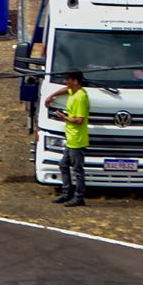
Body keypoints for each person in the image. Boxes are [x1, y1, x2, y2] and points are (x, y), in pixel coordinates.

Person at [45, 70, 90, 206]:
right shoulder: (74, 92)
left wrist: (64, 117)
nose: (65, 82)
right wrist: (51, 95)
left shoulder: (80, 97)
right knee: (63, 165)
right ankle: (66, 193)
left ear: (75, 81)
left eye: (68, 80)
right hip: (71, 139)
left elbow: (80, 120)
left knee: (77, 170)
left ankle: (79, 197)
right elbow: (65, 89)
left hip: (77, 139)